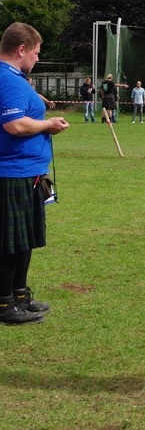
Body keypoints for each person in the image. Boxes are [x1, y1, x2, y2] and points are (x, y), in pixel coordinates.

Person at [0, 22, 70, 325]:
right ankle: (4, 303)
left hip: (28, 172)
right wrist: (48, 125)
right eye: (37, 53)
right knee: (10, 242)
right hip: (13, 172)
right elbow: (14, 125)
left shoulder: (15, 79)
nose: (38, 59)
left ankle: (19, 295)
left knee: (24, 240)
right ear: (21, 49)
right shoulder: (8, 80)